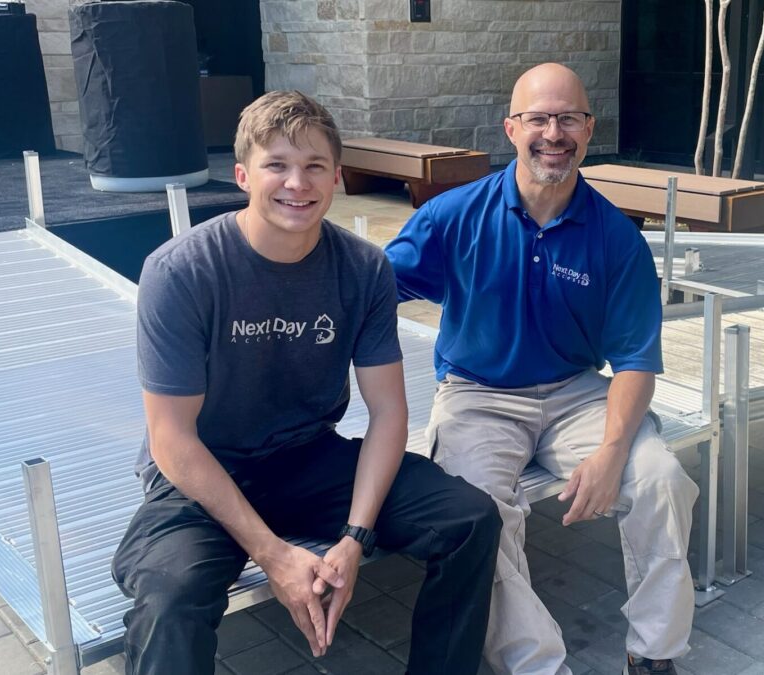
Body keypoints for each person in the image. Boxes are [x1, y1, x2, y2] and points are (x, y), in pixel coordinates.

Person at [112, 90, 501, 675]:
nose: (298, 183)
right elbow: (171, 439)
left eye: (315, 166)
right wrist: (273, 556)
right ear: (243, 175)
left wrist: (354, 537)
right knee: (170, 597)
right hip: (205, 471)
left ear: (337, 177)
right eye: (277, 165)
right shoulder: (182, 271)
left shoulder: (363, 268)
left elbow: (389, 415)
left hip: (307, 457)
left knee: (470, 519)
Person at [385, 63, 699, 675]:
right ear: (511, 128)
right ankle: (539, 667)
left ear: (588, 129)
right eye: (538, 118)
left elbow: (636, 361)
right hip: (477, 395)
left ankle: (654, 652)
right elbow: (372, 288)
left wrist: (611, 452)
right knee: (476, 518)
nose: (553, 133)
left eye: (568, 119)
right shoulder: (454, 215)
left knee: (659, 479)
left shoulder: (615, 238)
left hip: (575, 394)